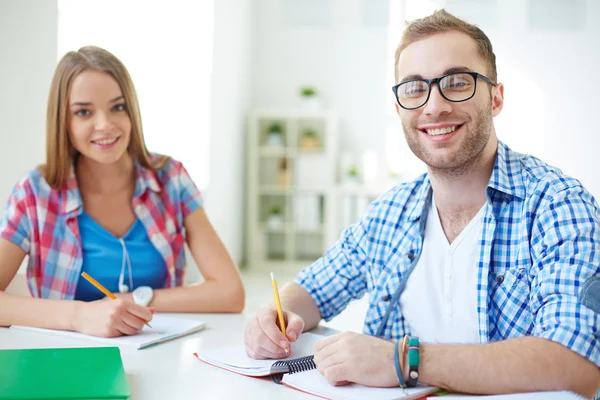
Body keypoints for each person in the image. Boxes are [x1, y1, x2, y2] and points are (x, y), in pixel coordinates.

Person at [244, 10, 600, 399]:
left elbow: (577, 365)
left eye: (457, 82)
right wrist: (274, 320)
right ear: (399, 108)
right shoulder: (391, 212)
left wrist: (404, 360)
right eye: (414, 88)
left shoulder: (558, 205)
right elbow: (311, 291)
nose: (434, 106)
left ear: (496, 97)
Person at [0, 46, 245, 338]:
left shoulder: (170, 179)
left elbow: (231, 293)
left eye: (118, 107)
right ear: (63, 121)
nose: (105, 125)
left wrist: (134, 300)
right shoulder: (34, 193)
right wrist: (80, 316)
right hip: (66, 357)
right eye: (83, 112)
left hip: (157, 352)